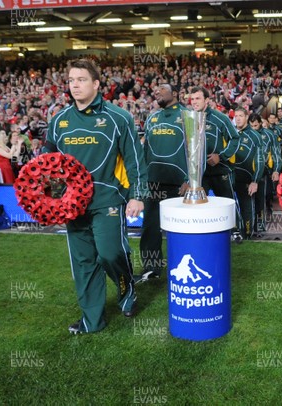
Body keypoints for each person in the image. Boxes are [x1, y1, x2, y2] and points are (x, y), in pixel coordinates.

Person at [44, 59, 147, 333]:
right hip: (72, 205)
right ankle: (92, 321)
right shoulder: (59, 121)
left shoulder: (118, 117)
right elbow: (47, 165)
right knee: (84, 262)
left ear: (97, 84)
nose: (75, 85)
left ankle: (127, 289)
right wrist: (50, 202)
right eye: (71, 80)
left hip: (108, 199)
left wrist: (137, 195)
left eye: (81, 80)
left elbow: (135, 160)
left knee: (110, 253)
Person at [137, 83, 188, 282]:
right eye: (155, 90)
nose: (157, 92)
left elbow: (196, 150)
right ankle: (151, 268)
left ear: (175, 93)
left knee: (182, 229)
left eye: (162, 89)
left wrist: (191, 180)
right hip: (153, 182)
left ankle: (183, 268)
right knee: (150, 228)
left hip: (179, 185)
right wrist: (142, 179)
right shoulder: (152, 117)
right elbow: (145, 150)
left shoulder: (187, 115)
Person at [189, 86, 242, 241]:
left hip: (219, 170)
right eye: (192, 99)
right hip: (199, 172)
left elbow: (235, 138)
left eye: (198, 98)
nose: (194, 102)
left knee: (227, 202)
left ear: (207, 100)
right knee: (198, 204)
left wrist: (222, 156)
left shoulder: (220, 118)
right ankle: (202, 231)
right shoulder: (189, 118)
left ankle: (235, 231)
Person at [233, 107, 264, 239]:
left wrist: (255, 181)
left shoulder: (255, 136)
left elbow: (260, 160)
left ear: (246, 117)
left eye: (240, 115)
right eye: (236, 116)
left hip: (247, 180)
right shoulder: (232, 134)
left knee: (247, 208)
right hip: (231, 178)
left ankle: (247, 235)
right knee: (232, 208)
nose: (238, 118)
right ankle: (235, 233)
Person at [249, 113, 281, 234]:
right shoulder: (245, 134)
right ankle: (248, 226)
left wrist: (276, 170)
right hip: (247, 171)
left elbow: (276, 153)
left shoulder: (269, 135)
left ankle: (260, 225)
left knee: (262, 198)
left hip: (264, 170)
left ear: (260, 123)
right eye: (251, 125)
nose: (253, 128)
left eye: (256, 125)